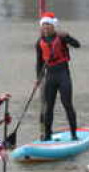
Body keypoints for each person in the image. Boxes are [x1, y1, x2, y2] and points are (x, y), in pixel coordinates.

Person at [34, 11, 82, 142]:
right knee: (48, 107)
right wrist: (38, 78)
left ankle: (74, 134)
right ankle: (47, 135)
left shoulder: (61, 37)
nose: (46, 28)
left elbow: (78, 45)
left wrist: (68, 36)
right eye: (43, 25)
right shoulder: (39, 42)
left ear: (53, 26)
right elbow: (39, 62)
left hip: (63, 75)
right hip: (49, 76)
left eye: (48, 25)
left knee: (67, 104)